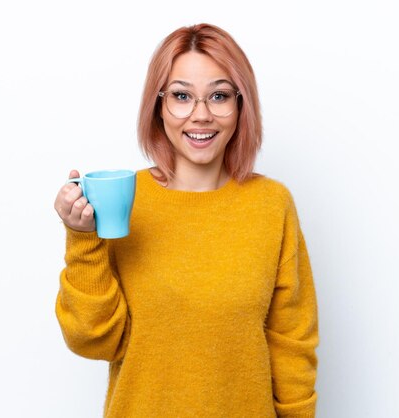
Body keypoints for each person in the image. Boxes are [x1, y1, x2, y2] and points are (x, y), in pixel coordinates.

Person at [53, 23, 319, 418]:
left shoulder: (271, 204)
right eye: (181, 96)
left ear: (241, 105)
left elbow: (292, 343)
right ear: (158, 105)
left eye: (219, 96)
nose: (201, 115)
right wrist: (82, 238)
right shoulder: (126, 201)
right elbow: (93, 341)